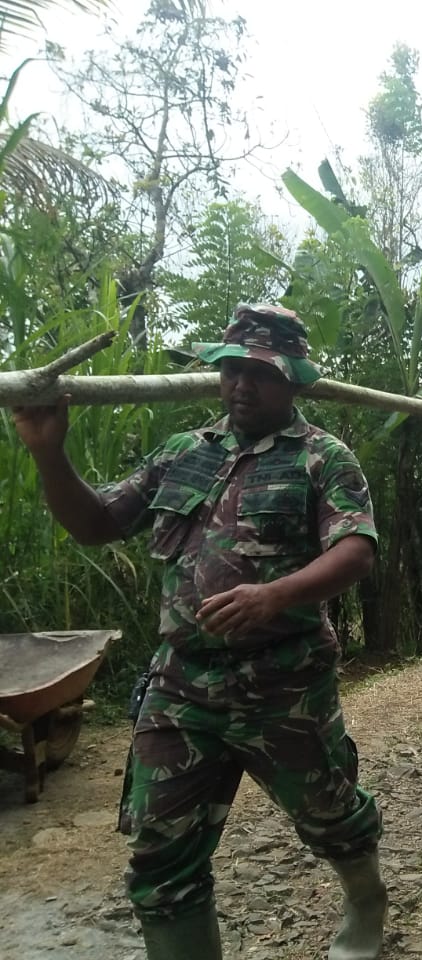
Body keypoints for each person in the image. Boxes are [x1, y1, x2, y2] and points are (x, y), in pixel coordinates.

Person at [10, 305, 387, 960]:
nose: (241, 384)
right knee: (161, 863)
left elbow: (356, 551)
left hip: (283, 686)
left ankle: (365, 897)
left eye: (260, 374)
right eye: (231, 369)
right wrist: (49, 453)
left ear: (294, 380)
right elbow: (98, 522)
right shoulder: (182, 454)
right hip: (180, 690)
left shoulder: (323, 458)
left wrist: (275, 595)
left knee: (330, 816)